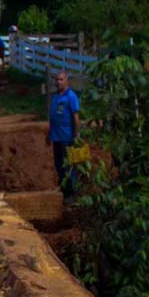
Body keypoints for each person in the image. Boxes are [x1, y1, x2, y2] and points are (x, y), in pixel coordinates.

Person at [46, 70, 81, 200]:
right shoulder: (55, 97)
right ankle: (63, 188)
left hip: (67, 137)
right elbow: (53, 118)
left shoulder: (71, 96)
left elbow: (76, 117)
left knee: (68, 165)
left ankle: (71, 193)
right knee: (58, 163)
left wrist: (76, 135)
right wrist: (49, 134)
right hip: (56, 137)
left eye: (61, 79)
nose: (58, 82)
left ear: (67, 81)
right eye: (57, 79)